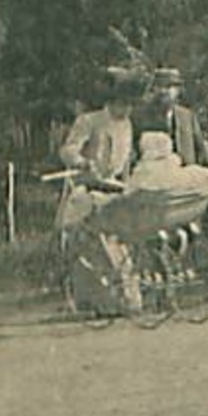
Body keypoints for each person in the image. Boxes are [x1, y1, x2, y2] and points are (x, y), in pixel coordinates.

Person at [58, 68, 148, 315]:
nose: (127, 110)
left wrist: (131, 180)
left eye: (131, 105)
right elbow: (67, 150)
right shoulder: (89, 121)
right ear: (112, 102)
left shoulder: (127, 124)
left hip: (113, 188)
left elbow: (126, 159)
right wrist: (81, 162)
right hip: (87, 189)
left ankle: (122, 299)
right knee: (88, 245)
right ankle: (90, 302)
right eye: (123, 104)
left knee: (117, 241)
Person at [135, 67, 208, 167]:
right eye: (159, 86)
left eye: (169, 87)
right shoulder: (141, 117)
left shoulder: (187, 117)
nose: (163, 91)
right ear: (153, 89)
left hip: (185, 176)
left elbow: (201, 150)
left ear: (178, 90)